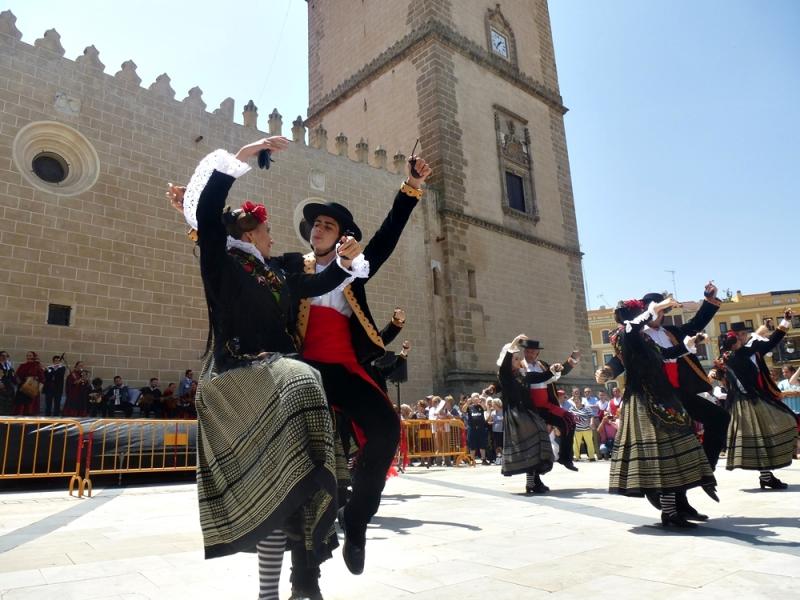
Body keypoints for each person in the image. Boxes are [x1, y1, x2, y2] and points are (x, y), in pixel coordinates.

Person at [178, 136, 365, 600]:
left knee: (282, 500)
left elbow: (321, 280)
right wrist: (240, 158)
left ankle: (276, 589)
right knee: (305, 379)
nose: (275, 237)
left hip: (275, 377)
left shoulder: (278, 273)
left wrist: (345, 261)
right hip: (237, 373)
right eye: (267, 231)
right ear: (248, 232)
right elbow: (207, 213)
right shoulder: (220, 261)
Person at [290, 152, 431, 577]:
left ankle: (357, 520)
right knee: (304, 465)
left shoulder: (356, 270)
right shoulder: (293, 269)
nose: (318, 228)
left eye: (327, 225)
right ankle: (303, 569)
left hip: (348, 372)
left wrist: (411, 187)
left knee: (388, 430)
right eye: (315, 224)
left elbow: (388, 236)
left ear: (342, 237)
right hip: (305, 375)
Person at [598, 282, 729, 520]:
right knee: (675, 447)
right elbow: (623, 359)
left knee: (719, 418)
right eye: (658, 310)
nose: (661, 314)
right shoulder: (636, 333)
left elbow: (692, 327)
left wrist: (709, 300)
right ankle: (677, 505)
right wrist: (608, 370)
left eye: (663, 311)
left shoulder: (670, 333)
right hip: (655, 396)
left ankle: (703, 470)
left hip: (679, 393)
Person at [712, 313, 799, 489]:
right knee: (765, 434)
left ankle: (766, 476)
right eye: (739, 336)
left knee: (766, 434)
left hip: (756, 396)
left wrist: (781, 323)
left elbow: (769, 342)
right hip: (748, 401)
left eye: (744, 334)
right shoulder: (738, 354)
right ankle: (766, 476)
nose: (742, 337)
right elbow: (765, 342)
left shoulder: (731, 355)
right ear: (734, 339)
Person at [496, 335, 554, 494]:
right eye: (515, 358)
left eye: (517, 358)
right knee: (535, 438)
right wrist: (514, 343)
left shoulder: (522, 374)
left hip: (528, 412)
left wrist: (554, 370)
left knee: (535, 446)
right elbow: (506, 364)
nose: (518, 360)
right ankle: (533, 482)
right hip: (517, 415)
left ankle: (533, 481)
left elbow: (539, 377)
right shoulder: (505, 375)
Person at [520, 339, 580, 471]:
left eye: (533, 352)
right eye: (527, 351)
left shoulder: (542, 365)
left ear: (537, 354)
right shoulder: (520, 366)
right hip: (530, 409)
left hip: (546, 406)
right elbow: (533, 378)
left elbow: (561, 371)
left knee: (569, 419)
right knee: (535, 443)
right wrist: (551, 371)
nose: (529, 354)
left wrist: (573, 357)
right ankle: (535, 477)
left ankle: (565, 457)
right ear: (524, 351)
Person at [14, 351, 44, 416]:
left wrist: (35, 379)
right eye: (27, 356)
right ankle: (20, 415)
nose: (28, 357)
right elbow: (17, 376)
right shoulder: (22, 365)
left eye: (30, 356)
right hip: (23, 386)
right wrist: (20, 382)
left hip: (32, 387)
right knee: (22, 403)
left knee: (30, 404)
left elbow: (42, 377)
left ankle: (30, 415)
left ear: (33, 357)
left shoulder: (37, 366)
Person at [0, 351, 15, 415]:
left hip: (8, 386)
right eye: (2, 355)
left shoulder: (8, 365)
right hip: (1, 385)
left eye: (6, 356)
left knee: (8, 402)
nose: (4, 357)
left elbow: (12, 375)